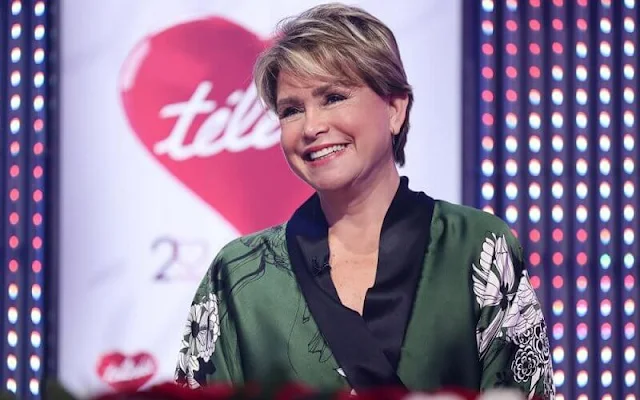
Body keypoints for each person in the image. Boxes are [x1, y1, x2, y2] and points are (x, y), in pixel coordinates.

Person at [174, 3, 555, 399]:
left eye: (333, 97)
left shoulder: (477, 246)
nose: (311, 126)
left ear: (394, 109)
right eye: (291, 110)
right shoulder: (237, 274)